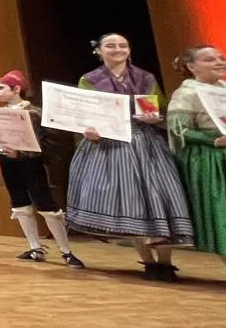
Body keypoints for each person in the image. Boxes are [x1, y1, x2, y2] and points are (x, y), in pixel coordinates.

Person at [64, 33, 193, 280]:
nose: (117, 49)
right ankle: (148, 261)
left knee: (161, 197)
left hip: (147, 143)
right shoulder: (90, 80)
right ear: (99, 51)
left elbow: (162, 109)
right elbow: (82, 113)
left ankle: (165, 261)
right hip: (110, 144)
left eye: (123, 45)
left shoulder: (145, 78)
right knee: (130, 201)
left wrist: (157, 118)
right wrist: (88, 130)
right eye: (110, 45)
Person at [167, 45, 226, 290]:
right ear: (191, 66)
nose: (218, 62)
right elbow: (179, 131)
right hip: (212, 160)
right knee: (224, 211)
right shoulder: (187, 93)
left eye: (221, 58)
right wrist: (214, 140)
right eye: (209, 59)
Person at [0, 70, 84, 268]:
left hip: (30, 164)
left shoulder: (34, 113)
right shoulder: (0, 114)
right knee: (20, 204)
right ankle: (35, 246)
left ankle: (65, 250)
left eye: (1, 88)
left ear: (16, 89)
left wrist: (21, 153)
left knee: (46, 205)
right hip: (7, 162)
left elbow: (46, 143)